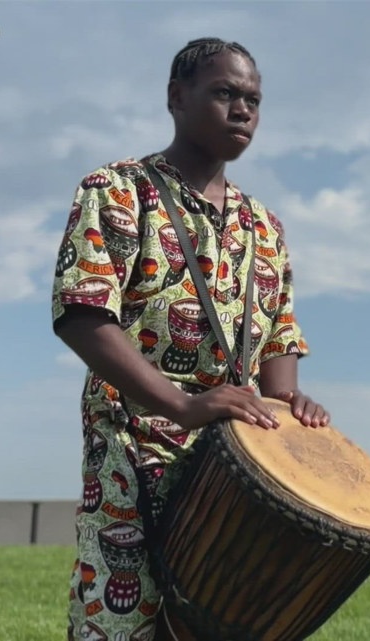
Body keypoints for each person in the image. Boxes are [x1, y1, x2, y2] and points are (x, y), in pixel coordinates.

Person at [50, 37, 330, 641]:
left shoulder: (266, 227)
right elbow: (83, 312)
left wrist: (289, 404)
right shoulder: (118, 190)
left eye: (253, 99)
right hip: (134, 448)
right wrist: (181, 404)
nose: (243, 110)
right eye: (224, 93)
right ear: (177, 98)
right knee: (120, 623)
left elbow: (279, 330)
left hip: (236, 464)